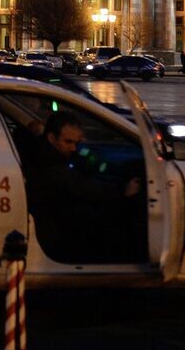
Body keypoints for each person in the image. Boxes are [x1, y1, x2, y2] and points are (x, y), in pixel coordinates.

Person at [24, 110, 143, 263]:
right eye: (68, 142)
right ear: (51, 138)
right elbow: (83, 187)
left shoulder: (46, 150)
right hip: (56, 228)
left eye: (77, 142)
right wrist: (123, 191)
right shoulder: (48, 164)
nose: (74, 148)